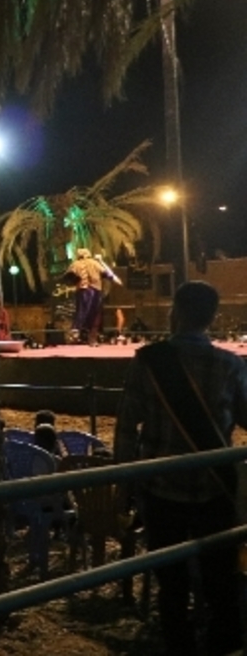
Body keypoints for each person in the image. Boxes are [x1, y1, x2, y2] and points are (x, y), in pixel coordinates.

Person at [115, 280, 247, 655]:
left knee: (171, 582)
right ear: (212, 317)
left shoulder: (148, 361)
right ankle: (223, 643)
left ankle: (180, 645)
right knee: (220, 577)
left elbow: (125, 428)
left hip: (161, 489)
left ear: (176, 312)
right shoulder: (230, 365)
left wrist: (123, 485)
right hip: (214, 488)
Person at [64, 248, 121, 346]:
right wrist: (112, 278)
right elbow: (106, 274)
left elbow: (67, 277)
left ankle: (77, 331)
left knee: (81, 311)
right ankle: (91, 337)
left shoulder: (75, 264)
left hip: (82, 291)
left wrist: (76, 281)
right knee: (95, 315)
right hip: (95, 291)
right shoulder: (94, 263)